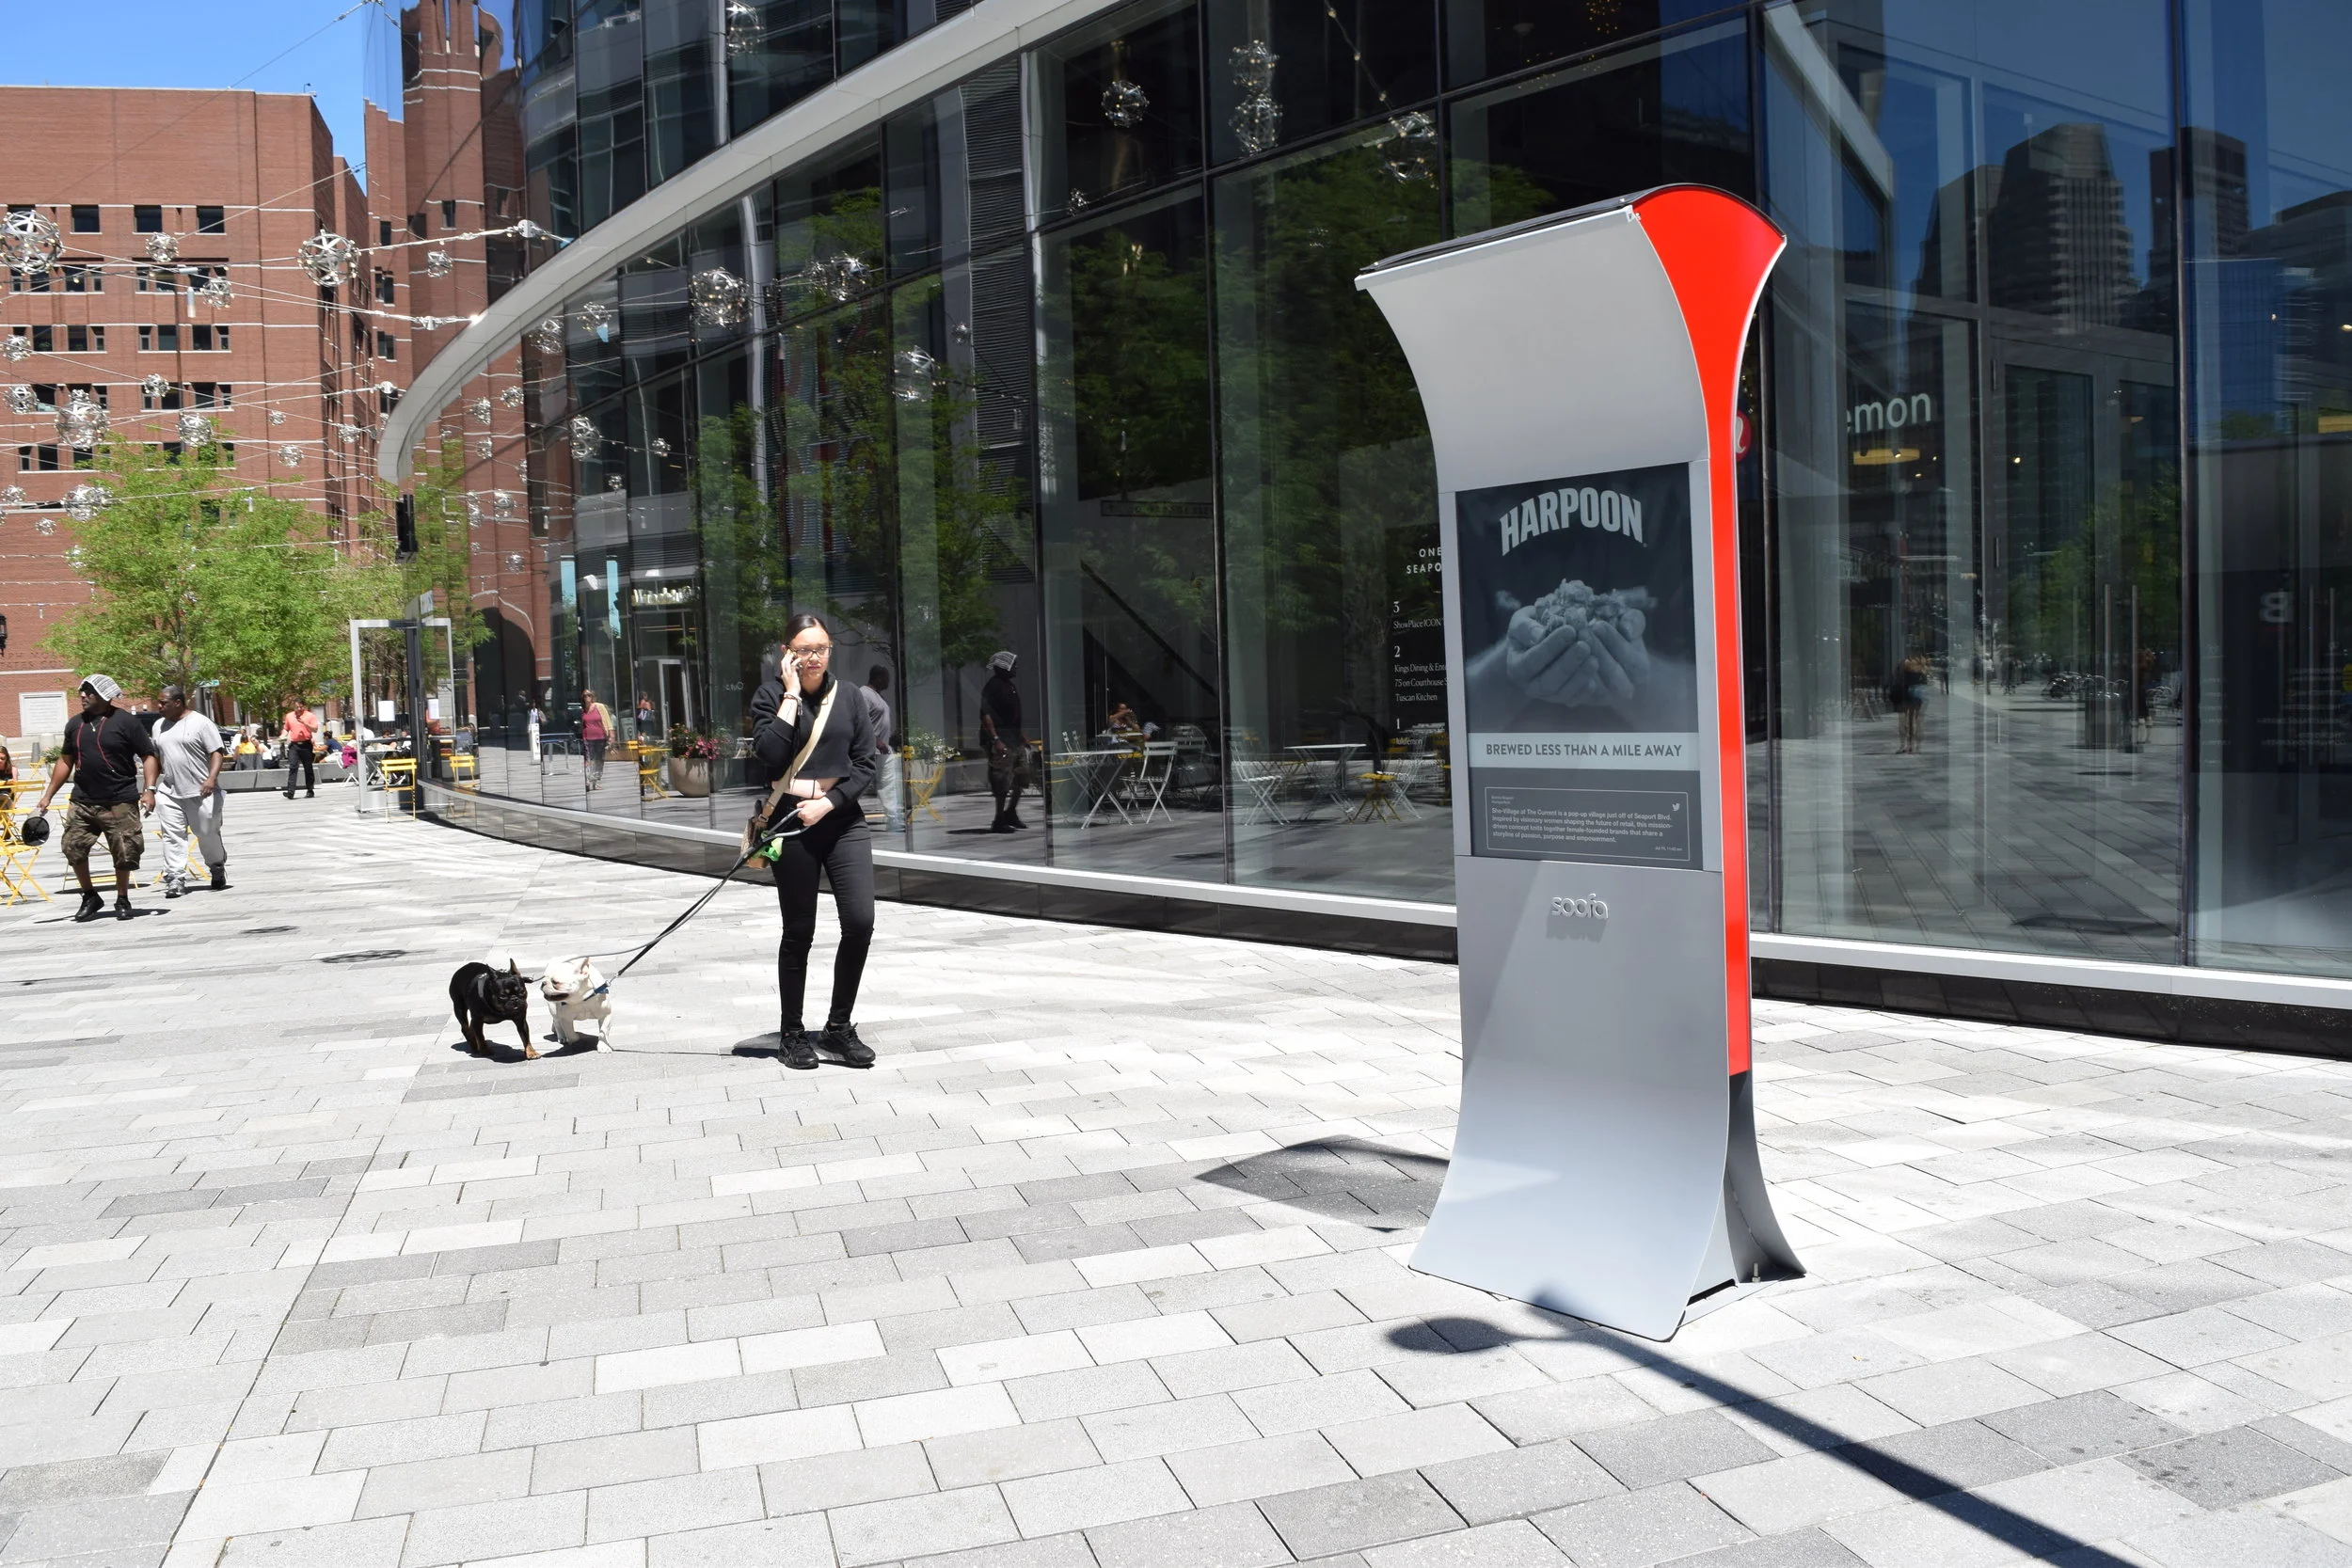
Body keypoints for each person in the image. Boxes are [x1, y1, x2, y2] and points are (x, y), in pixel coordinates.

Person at [751, 612, 881, 1071]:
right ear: (787, 652)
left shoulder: (848, 696)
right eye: (803, 649)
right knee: (799, 930)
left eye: (821, 648)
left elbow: (866, 762)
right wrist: (789, 695)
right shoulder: (770, 696)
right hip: (791, 820)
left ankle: (838, 1028)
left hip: (842, 817)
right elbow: (769, 755)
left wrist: (830, 802)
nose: (813, 657)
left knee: (861, 922)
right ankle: (792, 1034)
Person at [29, 674, 159, 923]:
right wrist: (47, 795)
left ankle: (122, 898)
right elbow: (65, 761)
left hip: (119, 799)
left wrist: (149, 789)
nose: (82, 696)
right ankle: (90, 896)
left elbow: (148, 755)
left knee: (125, 852)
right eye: (82, 692)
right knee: (72, 847)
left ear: (103, 694)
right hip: (82, 801)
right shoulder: (75, 724)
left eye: (88, 692)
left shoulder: (126, 722)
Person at [151, 685, 228, 897]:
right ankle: (175, 878)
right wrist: (149, 789)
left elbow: (216, 752)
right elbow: (156, 759)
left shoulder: (201, 723)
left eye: (163, 703)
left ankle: (217, 866)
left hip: (201, 791)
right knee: (172, 836)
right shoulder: (158, 726)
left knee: (206, 833)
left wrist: (211, 778)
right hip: (169, 791)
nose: (159, 707)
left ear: (177, 703)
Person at [980, 650, 1031, 832]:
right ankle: (998, 818)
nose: (1015, 668)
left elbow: (1014, 716)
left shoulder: (1010, 686)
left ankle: (1011, 812)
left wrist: (1022, 736)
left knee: (1022, 776)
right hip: (1001, 740)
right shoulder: (993, 686)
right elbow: (985, 715)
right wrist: (996, 740)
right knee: (1001, 779)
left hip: (1014, 739)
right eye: (1012, 665)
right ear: (1003, 667)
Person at [864, 663, 902, 832]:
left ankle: (893, 819)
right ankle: (841, 815)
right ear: (878, 677)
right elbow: (861, 722)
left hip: (883, 750)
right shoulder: (864, 694)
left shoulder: (879, 696)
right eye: (886, 678)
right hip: (869, 749)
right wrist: (877, 740)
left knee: (888, 784)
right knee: (860, 784)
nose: (888, 682)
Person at [281, 698, 318, 799]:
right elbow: (286, 728)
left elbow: (315, 729)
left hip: (306, 744)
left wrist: (305, 723)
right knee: (293, 767)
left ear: (304, 706)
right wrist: (283, 735)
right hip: (294, 745)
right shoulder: (289, 716)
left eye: (301, 707)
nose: (299, 709)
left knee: (308, 768)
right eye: (297, 707)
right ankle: (290, 792)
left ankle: (310, 790)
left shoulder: (310, 716)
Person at [580, 689, 614, 789]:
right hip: (587, 738)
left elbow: (607, 721)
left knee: (599, 760)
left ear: (593, 697)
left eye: (589, 695)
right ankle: (587, 781)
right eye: (585, 696)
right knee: (589, 759)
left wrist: (611, 735)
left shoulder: (599, 707)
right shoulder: (583, 710)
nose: (587, 697)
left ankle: (594, 782)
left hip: (600, 737)